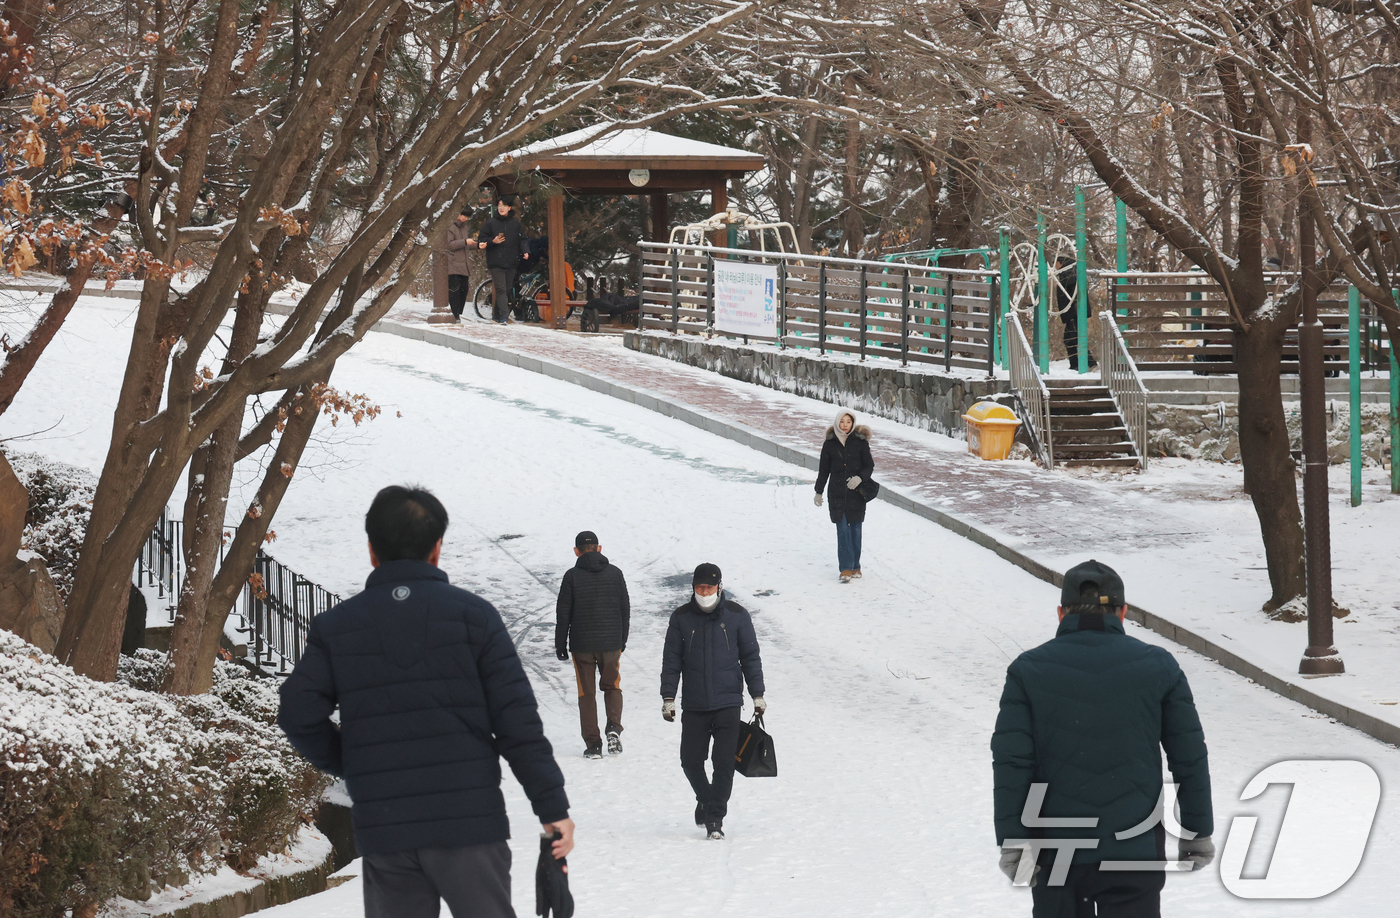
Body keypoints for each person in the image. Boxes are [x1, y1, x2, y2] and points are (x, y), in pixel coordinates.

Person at [278, 485, 573, 918]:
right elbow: (519, 725)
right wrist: (552, 808)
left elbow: (297, 713)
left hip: (386, 827)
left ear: (371, 550)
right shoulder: (476, 618)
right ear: (438, 548)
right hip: (470, 823)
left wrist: (355, 761)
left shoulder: (338, 627)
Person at [991, 559, 1213, 918]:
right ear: (1122, 612)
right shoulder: (1159, 666)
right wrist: (1196, 829)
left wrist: (1014, 841)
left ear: (1062, 612)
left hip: (1056, 850)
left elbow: (1012, 763)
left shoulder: (1027, 670)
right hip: (1133, 848)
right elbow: (1188, 756)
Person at [660, 563, 765, 840]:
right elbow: (671, 662)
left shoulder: (737, 616)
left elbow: (750, 657)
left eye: (709, 587)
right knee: (690, 762)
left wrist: (757, 694)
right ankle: (706, 799)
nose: (704, 592)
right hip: (694, 704)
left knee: (723, 764)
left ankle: (715, 818)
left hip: (727, 702)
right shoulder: (681, 618)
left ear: (720, 587)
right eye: (699, 587)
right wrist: (668, 697)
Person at [555, 529, 630, 759]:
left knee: (586, 694)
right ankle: (613, 729)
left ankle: (593, 745)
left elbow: (563, 613)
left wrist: (561, 643)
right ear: (599, 548)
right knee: (612, 686)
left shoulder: (571, 576)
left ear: (576, 551)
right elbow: (624, 609)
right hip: (611, 644)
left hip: (582, 645)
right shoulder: (615, 573)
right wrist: (622, 640)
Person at [814, 409, 873, 583]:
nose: (845, 425)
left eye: (848, 422)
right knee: (842, 530)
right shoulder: (830, 444)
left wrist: (860, 478)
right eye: (842, 422)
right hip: (837, 493)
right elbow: (823, 469)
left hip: (856, 493)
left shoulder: (860, 442)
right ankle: (845, 568)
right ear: (837, 423)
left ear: (852, 423)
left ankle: (856, 566)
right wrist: (819, 491)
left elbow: (869, 465)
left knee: (855, 530)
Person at [477, 196, 530, 324]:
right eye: (500, 205)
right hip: (495, 261)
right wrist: (492, 241)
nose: (501, 208)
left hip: (511, 261)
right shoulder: (491, 222)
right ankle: (504, 318)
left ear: (509, 208)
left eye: (504, 206)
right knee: (500, 289)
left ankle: (496, 315)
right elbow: (481, 239)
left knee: (506, 289)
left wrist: (525, 250)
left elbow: (522, 238)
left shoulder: (515, 223)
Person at [1056, 255, 1095, 370]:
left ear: (1061, 264)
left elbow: (1073, 292)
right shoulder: (1069, 276)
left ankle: (1090, 362)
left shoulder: (1070, 276)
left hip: (1074, 313)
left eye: (1057, 263)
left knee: (1075, 337)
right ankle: (1075, 364)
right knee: (1069, 339)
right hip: (1071, 313)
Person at [445, 206, 474, 320]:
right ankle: (454, 315)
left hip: (464, 264)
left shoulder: (465, 228)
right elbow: (449, 244)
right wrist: (465, 242)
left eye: (467, 216)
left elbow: (466, 244)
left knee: (464, 289)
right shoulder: (450, 227)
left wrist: (477, 245)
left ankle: (457, 313)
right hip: (453, 264)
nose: (466, 218)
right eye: (464, 215)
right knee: (454, 291)